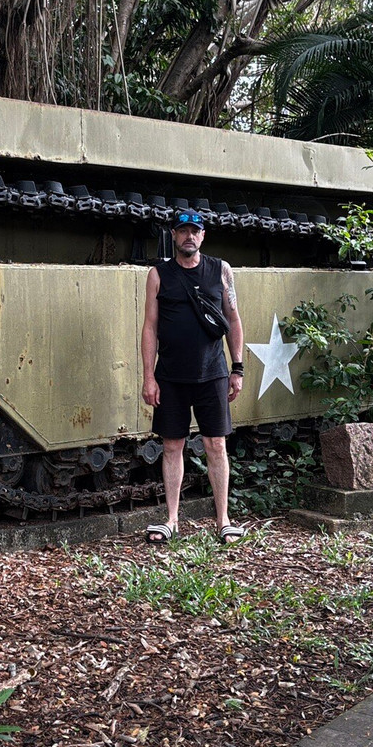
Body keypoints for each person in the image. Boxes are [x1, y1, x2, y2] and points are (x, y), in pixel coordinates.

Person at [140, 209, 246, 544]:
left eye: (195, 231)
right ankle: (171, 520)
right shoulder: (159, 275)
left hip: (212, 373)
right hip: (170, 375)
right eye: (183, 230)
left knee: (216, 444)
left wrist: (237, 368)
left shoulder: (221, 271)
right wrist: (148, 376)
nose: (189, 236)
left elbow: (234, 319)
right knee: (172, 445)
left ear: (203, 236)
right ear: (174, 234)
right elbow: (150, 327)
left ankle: (223, 520)